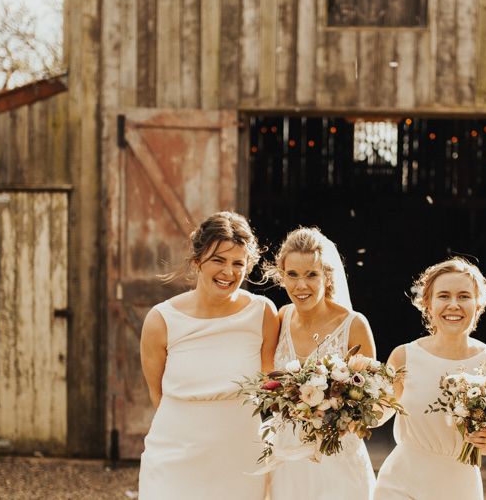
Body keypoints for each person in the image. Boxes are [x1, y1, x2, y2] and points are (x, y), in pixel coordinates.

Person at [138, 211, 279, 500]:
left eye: (238, 263)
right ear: (197, 260)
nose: (229, 272)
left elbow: (271, 385)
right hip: (174, 457)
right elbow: (157, 395)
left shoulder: (263, 313)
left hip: (239, 458)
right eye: (219, 260)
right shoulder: (161, 320)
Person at [374, 257, 486, 499]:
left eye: (464, 296)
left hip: (460, 486)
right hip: (401, 483)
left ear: (478, 304)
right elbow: (377, 414)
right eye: (443, 296)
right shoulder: (404, 356)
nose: (453, 304)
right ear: (428, 305)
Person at [263, 227, 377, 500]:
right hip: (287, 455)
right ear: (282, 276)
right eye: (292, 275)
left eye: (311, 274)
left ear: (327, 275)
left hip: (337, 455)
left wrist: (331, 410)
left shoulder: (354, 324)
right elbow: (267, 381)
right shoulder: (281, 317)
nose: (301, 286)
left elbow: (371, 399)